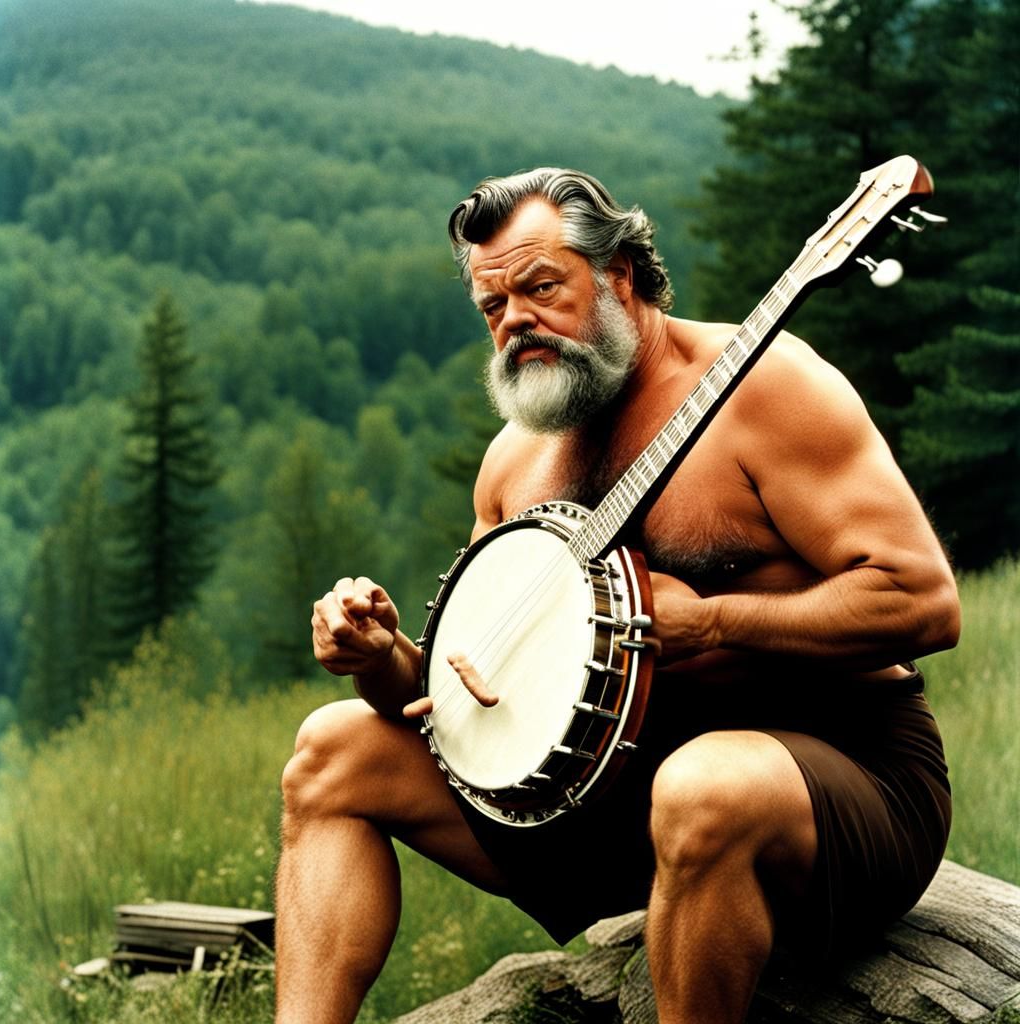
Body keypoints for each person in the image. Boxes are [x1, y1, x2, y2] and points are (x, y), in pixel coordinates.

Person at [275, 168, 960, 1024]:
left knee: (702, 785)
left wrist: (713, 620)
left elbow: (926, 603)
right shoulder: (516, 462)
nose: (517, 320)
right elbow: (465, 703)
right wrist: (381, 658)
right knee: (333, 747)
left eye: (541, 287)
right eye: (494, 306)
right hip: (607, 796)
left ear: (621, 276)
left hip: (839, 778)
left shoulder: (765, 389)